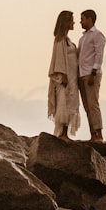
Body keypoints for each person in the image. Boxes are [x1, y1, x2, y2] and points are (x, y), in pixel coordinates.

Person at [47, 10, 80, 140]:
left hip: (73, 77)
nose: (74, 22)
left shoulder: (68, 41)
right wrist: (63, 75)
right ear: (66, 22)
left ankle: (64, 132)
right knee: (64, 102)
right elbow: (59, 59)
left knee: (71, 102)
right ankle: (63, 133)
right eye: (72, 20)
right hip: (65, 77)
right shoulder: (60, 40)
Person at [77, 9, 106, 141]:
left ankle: (99, 134)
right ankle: (92, 134)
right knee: (87, 106)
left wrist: (93, 72)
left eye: (82, 19)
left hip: (91, 74)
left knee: (93, 104)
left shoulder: (97, 35)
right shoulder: (83, 38)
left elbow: (99, 54)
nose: (80, 22)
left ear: (90, 19)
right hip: (82, 74)